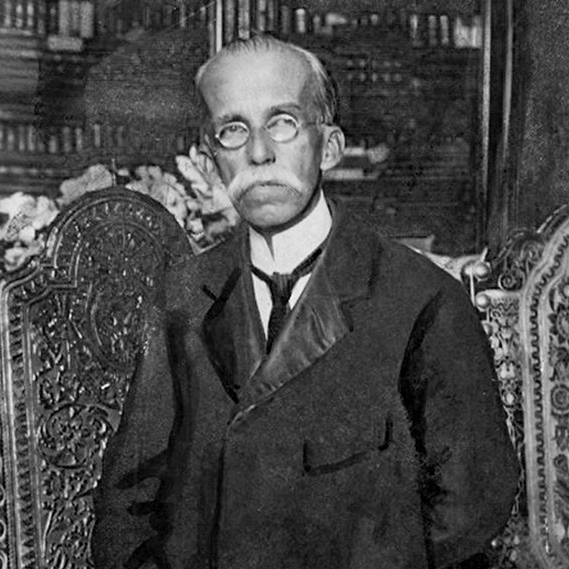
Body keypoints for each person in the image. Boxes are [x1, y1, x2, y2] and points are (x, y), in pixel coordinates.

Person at [92, 34, 519, 569]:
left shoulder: (424, 300)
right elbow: (128, 505)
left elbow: (473, 503)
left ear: (330, 147)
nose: (259, 152)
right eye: (233, 130)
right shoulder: (181, 299)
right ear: (210, 159)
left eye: (283, 123)